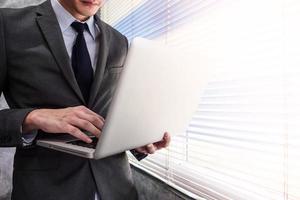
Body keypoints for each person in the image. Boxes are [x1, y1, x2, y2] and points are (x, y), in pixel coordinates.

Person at [0, 0, 171, 199]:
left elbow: (112, 113)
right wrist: (32, 117)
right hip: (46, 190)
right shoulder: (8, 26)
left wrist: (135, 140)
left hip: (118, 188)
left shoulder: (119, 40)